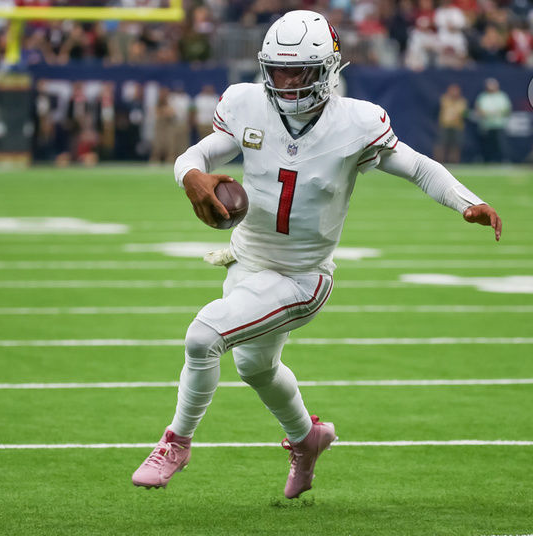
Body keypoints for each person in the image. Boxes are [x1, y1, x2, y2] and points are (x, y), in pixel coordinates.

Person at [131, 10, 502, 499]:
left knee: (204, 337)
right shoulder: (247, 104)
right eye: (277, 69)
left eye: (298, 71)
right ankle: (308, 440)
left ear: (327, 69)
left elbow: (417, 167)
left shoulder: (356, 122)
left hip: (302, 277)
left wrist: (466, 201)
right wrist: (191, 176)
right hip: (246, 262)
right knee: (254, 368)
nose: (285, 81)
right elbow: (195, 156)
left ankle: (175, 443)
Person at [473, 77, 511, 162]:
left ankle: (503, 160)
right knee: (487, 145)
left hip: (499, 125)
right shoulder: (482, 97)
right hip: (486, 125)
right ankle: (487, 160)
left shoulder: (502, 96)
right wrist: (486, 114)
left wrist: (495, 114)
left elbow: (506, 110)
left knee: (500, 144)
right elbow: (478, 109)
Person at [434, 83, 467, 163]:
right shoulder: (445, 99)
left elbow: (460, 113)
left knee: (455, 146)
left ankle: (454, 163)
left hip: (457, 126)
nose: (454, 92)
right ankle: (438, 162)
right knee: (441, 145)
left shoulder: (462, 101)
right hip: (445, 126)